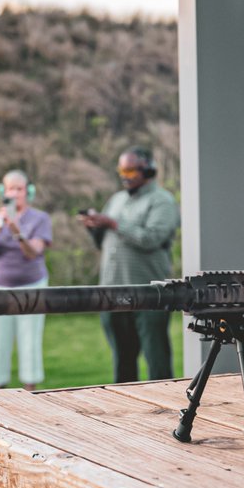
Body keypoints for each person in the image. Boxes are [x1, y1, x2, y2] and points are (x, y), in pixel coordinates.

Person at [79, 147, 179, 383]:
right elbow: (104, 243)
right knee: (122, 360)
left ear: (148, 169)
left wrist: (114, 223)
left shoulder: (162, 201)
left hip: (148, 294)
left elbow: (151, 238)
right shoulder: (116, 199)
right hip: (113, 292)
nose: (124, 174)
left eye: (130, 169)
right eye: (121, 169)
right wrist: (95, 228)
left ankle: (168, 408)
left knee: (157, 360)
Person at [0, 169, 53, 390]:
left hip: (32, 286)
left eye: (19, 189)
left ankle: (30, 393)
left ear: (28, 192)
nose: (15, 193)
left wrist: (17, 231)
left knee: (30, 342)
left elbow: (34, 252)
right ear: (3, 191)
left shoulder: (40, 218)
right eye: (11, 188)